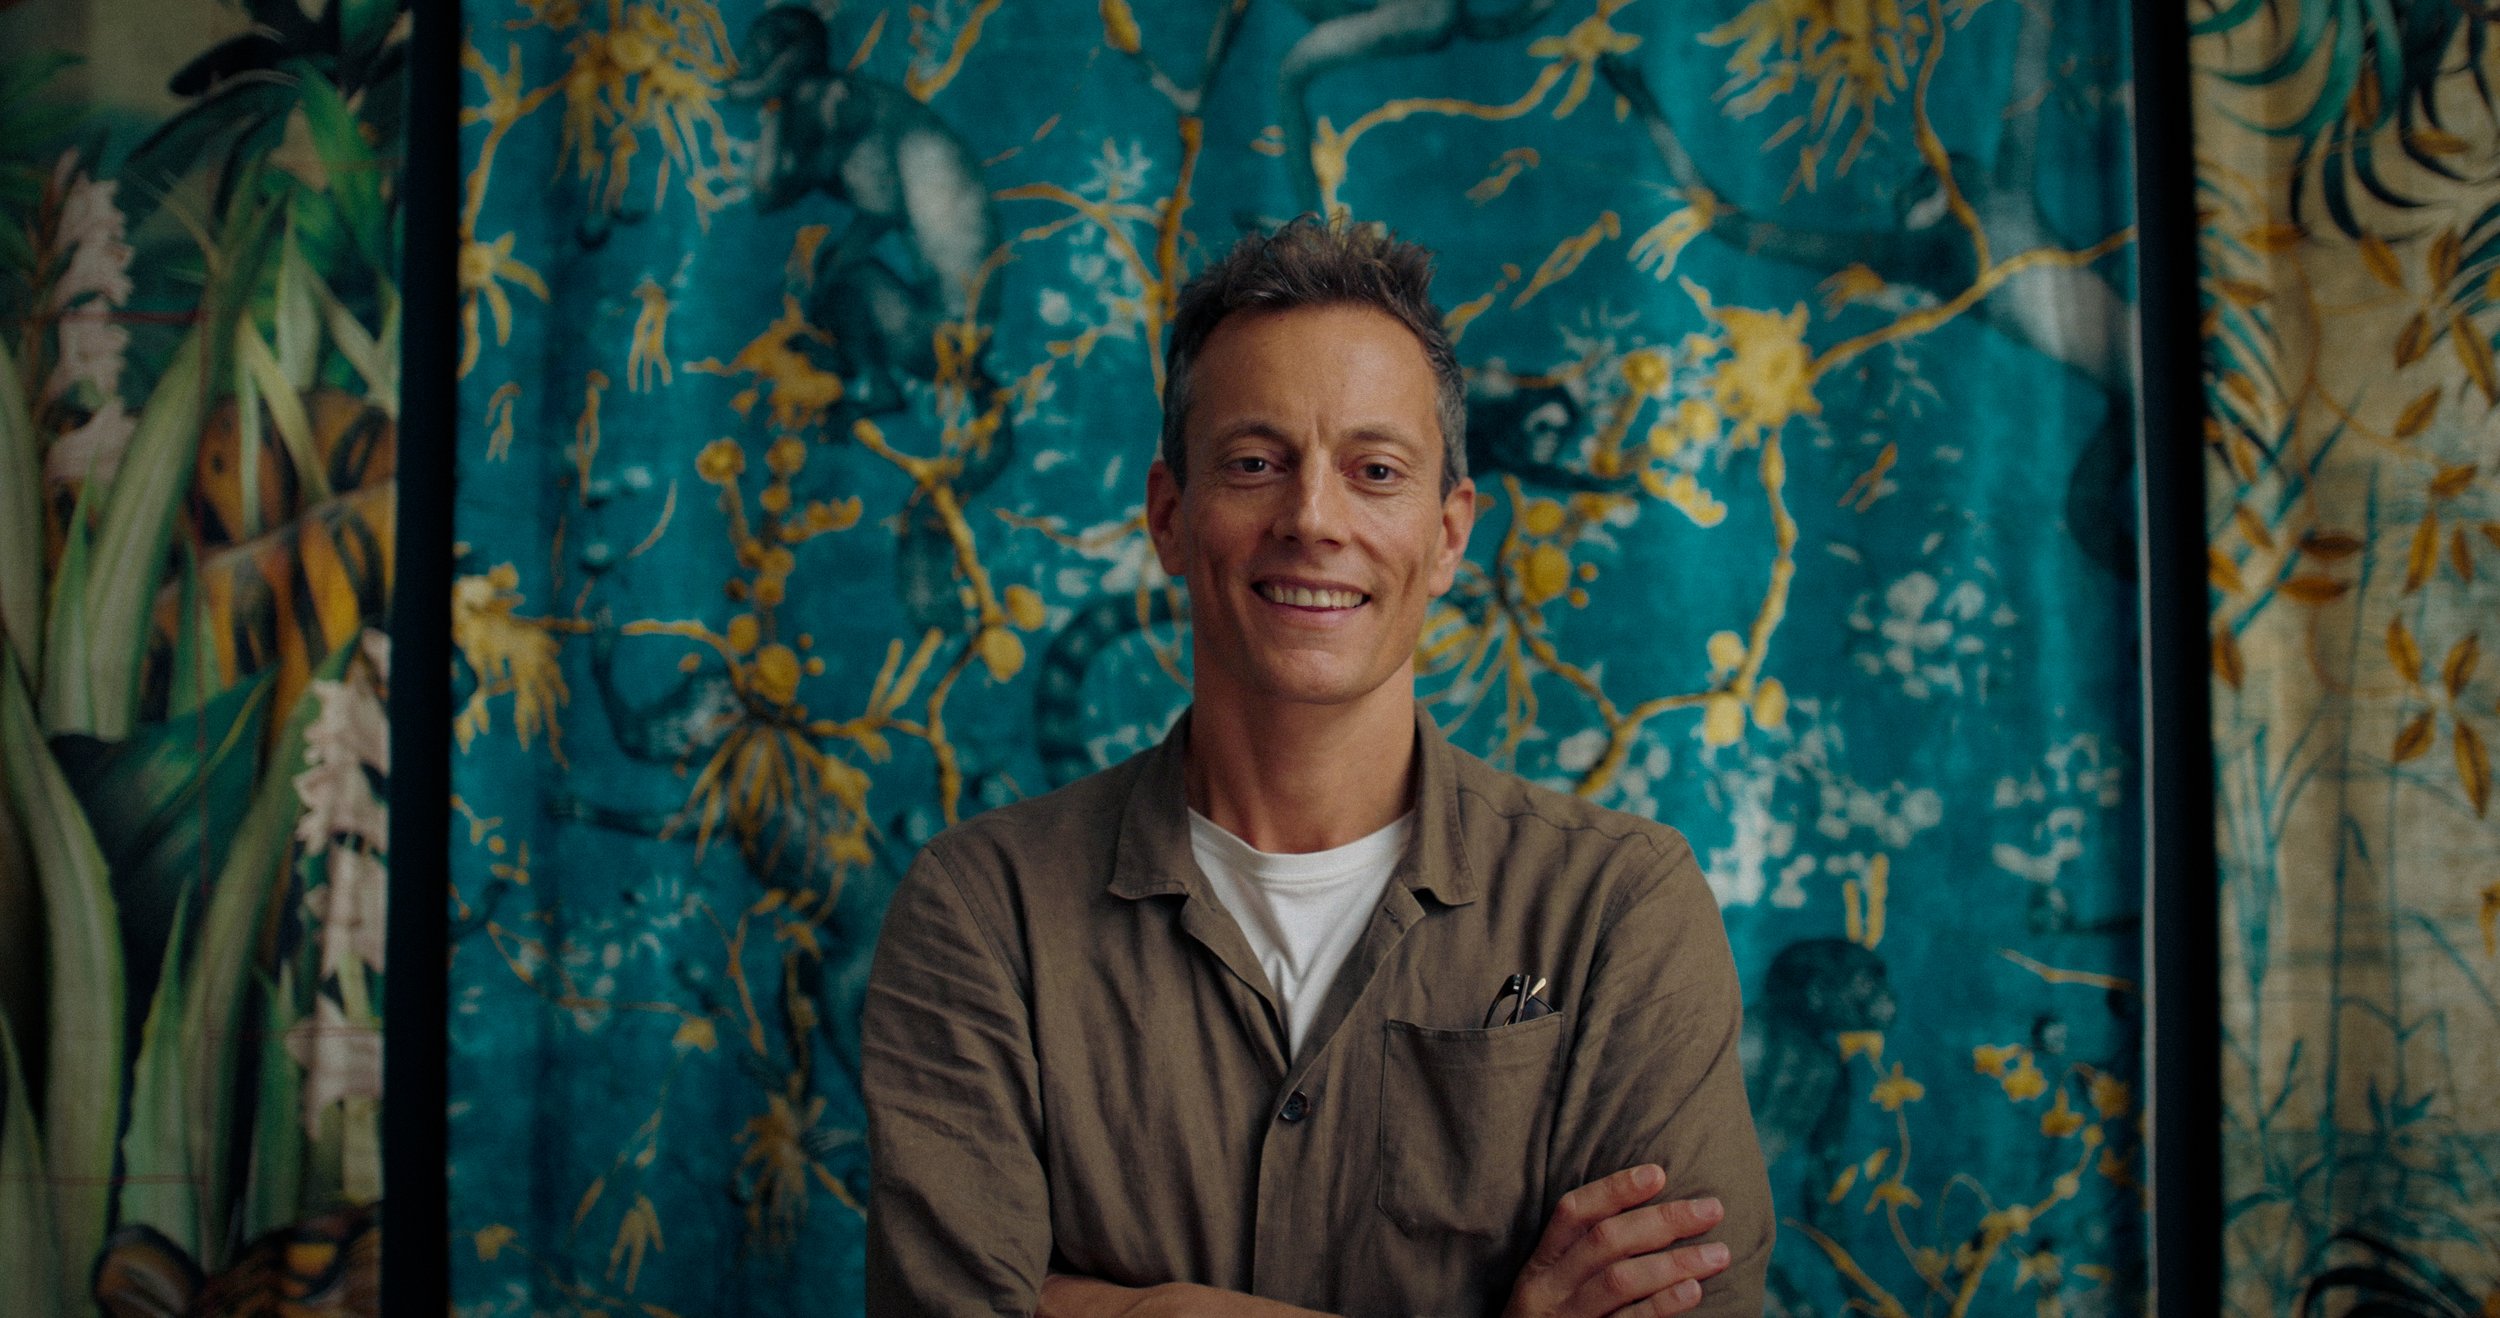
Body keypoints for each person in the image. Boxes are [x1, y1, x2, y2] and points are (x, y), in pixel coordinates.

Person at [861, 218, 1771, 1316]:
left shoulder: (1621, 908)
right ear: (1168, 514)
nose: (1311, 519)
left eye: (1374, 471)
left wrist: (1107, 1305)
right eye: (1254, 463)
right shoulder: (984, 913)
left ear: (1446, 536)